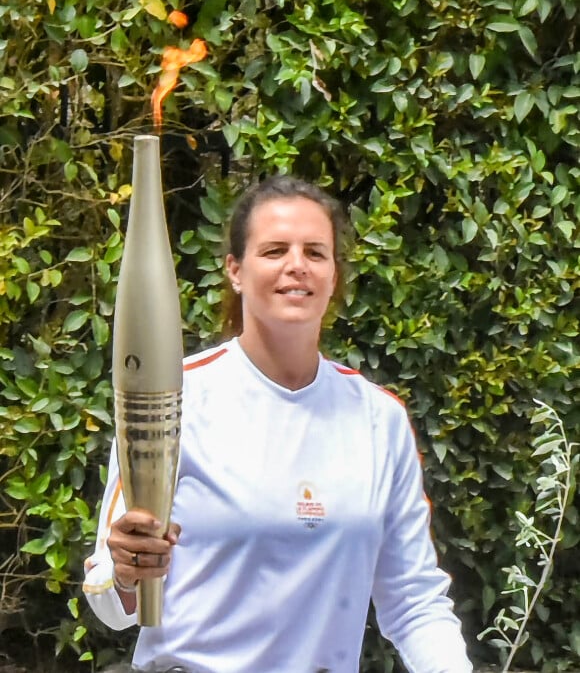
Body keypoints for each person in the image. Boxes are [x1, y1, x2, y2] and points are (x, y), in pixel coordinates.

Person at [83, 175, 473, 673]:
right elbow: (110, 601)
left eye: (315, 252)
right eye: (273, 251)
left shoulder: (379, 419)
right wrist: (124, 573)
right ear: (236, 271)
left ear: (334, 275)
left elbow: (414, 599)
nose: (296, 266)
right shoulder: (173, 401)